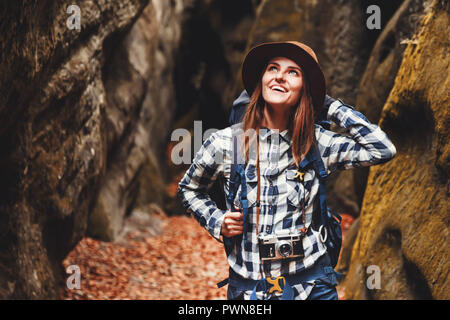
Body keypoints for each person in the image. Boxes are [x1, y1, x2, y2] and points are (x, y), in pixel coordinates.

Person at [178, 41, 397, 300]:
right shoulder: (226, 143)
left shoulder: (317, 143)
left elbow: (382, 148)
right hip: (249, 290)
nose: (280, 75)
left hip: (312, 286)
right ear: (261, 80)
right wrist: (217, 220)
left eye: (294, 72)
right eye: (272, 68)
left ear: (304, 89)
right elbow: (189, 188)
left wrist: (328, 105)